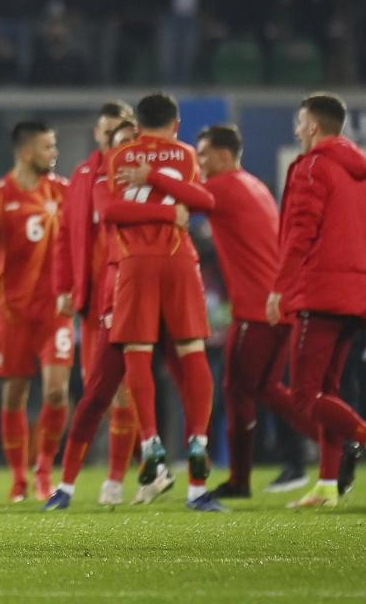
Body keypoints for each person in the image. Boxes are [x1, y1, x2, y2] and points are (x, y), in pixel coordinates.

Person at [45, 120, 188, 510]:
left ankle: (165, 473)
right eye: (119, 142)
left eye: (132, 143)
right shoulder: (98, 181)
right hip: (111, 296)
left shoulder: (152, 183)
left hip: (150, 294)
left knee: (169, 383)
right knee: (97, 393)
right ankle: (67, 486)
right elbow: (105, 215)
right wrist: (170, 212)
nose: (126, 151)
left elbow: (195, 203)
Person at [106, 92, 225, 512]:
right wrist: (165, 203)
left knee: (137, 354)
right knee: (192, 352)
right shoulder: (186, 155)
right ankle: (198, 444)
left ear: (137, 125)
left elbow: (112, 212)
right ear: (176, 124)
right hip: (180, 261)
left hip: (136, 264)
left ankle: (150, 440)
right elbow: (205, 203)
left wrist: (147, 180)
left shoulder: (119, 158)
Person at [195, 125, 318, 499]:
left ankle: (242, 479)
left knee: (238, 390)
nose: (199, 162)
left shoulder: (225, 187)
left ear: (225, 154)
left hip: (256, 310)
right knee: (267, 389)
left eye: (204, 154)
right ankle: (334, 442)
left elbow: (180, 199)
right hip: (275, 307)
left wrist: (148, 175)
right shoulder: (254, 186)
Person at [0, 122, 73, 502]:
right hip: (12, 313)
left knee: (58, 391)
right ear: (26, 152)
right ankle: (18, 478)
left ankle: (44, 469)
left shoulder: (64, 192)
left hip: (56, 311)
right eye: (48, 146)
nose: (53, 152)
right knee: (14, 394)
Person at [269, 93, 366, 508]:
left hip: (320, 292)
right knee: (329, 390)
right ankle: (328, 486)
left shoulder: (312, 166)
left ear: (312, 126)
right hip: (355, 295)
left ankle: (360, 437)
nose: (295, 129)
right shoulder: (359, 169)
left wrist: (280, 288)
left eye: (299, 121)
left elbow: (300, 233)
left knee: (305, 396)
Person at [52, 102, 140, 506]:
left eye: (116, 133)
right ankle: (128, 468)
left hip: (127, 291)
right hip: (89, 299)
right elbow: (65, 234)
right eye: (105, 132)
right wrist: (65, 286)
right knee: (97, 390)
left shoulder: (131, 177)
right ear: (97, 133)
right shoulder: (83, 176)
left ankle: (116, 478)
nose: (109, 139)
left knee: (121, 390)